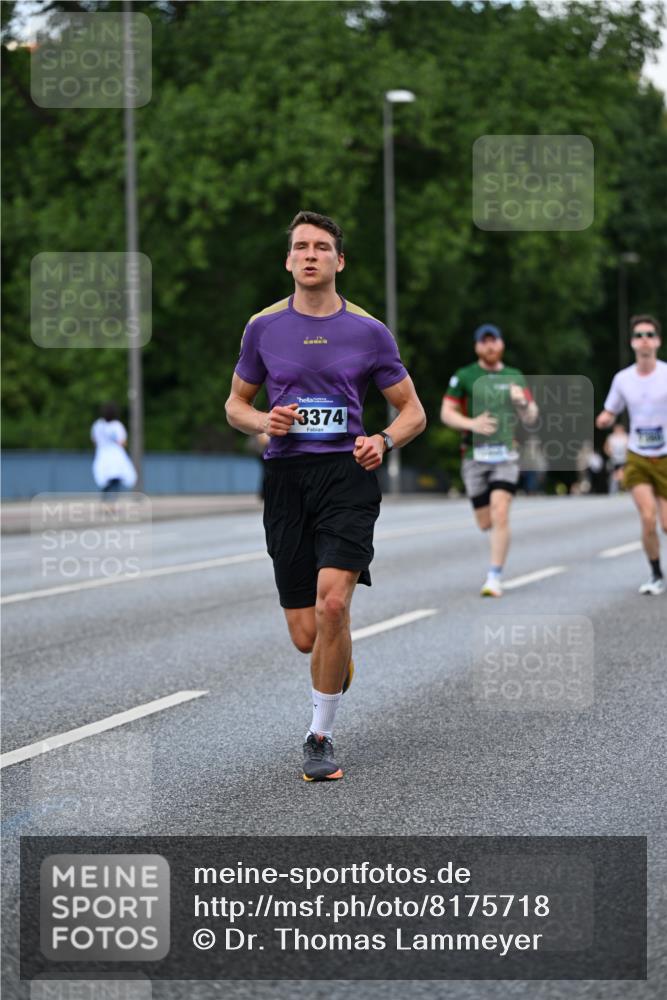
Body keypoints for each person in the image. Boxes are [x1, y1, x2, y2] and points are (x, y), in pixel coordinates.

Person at [225, 211, 426, 781]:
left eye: (321, 247)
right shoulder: (262, 328)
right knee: (306, 633)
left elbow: (413, 410)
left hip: (346, 475)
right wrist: (266, 420)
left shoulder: (368, 331)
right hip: (287, 480)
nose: (310, 255)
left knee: (333, 603)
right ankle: (335, 653)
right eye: (300, 247)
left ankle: (320, 736)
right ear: (288, 260)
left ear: (339, 261)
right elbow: (234, 406)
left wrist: (383, 440)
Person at [441, 324, 538, 596]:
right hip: (474, 456)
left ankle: (494, 576)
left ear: (502, 345)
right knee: (485, 521)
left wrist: (522, 403)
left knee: (501, 512)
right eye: (484, 342)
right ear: (477, 347)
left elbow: (532, 417)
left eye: (494, 341)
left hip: (506, 454)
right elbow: (446, 413)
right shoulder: (465, 376)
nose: (490, 346)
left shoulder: (514, 376)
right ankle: (494, 552)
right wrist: (471, 423)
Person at [596, 314, 667, 595]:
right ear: (632, 343)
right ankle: (655, 574)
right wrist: (603, 419)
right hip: (636, 454)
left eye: (649, 334)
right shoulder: (623, 379)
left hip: (665, 455)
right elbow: (610, 410)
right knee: (647, 518)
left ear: (658, 341)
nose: (644, 340)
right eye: (639, 335)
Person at [91, 402, 137, 495]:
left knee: (105, 480)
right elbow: (122, 442)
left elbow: (94, 440)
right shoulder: (117, 425)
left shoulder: (98, 425)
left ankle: (106, 501)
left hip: (102, 454)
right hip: (116, 455)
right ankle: (113, 503)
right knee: (116, 478)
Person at [603, 422, 629, 494]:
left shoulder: (626, 436)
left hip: (624, 459)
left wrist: (627, 453)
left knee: (623, 474)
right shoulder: (611, 437)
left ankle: (625, 490)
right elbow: (606, 448)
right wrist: (609, 453)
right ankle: (613, 491)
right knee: (614, 475)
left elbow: (629, 447)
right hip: (614, 459)